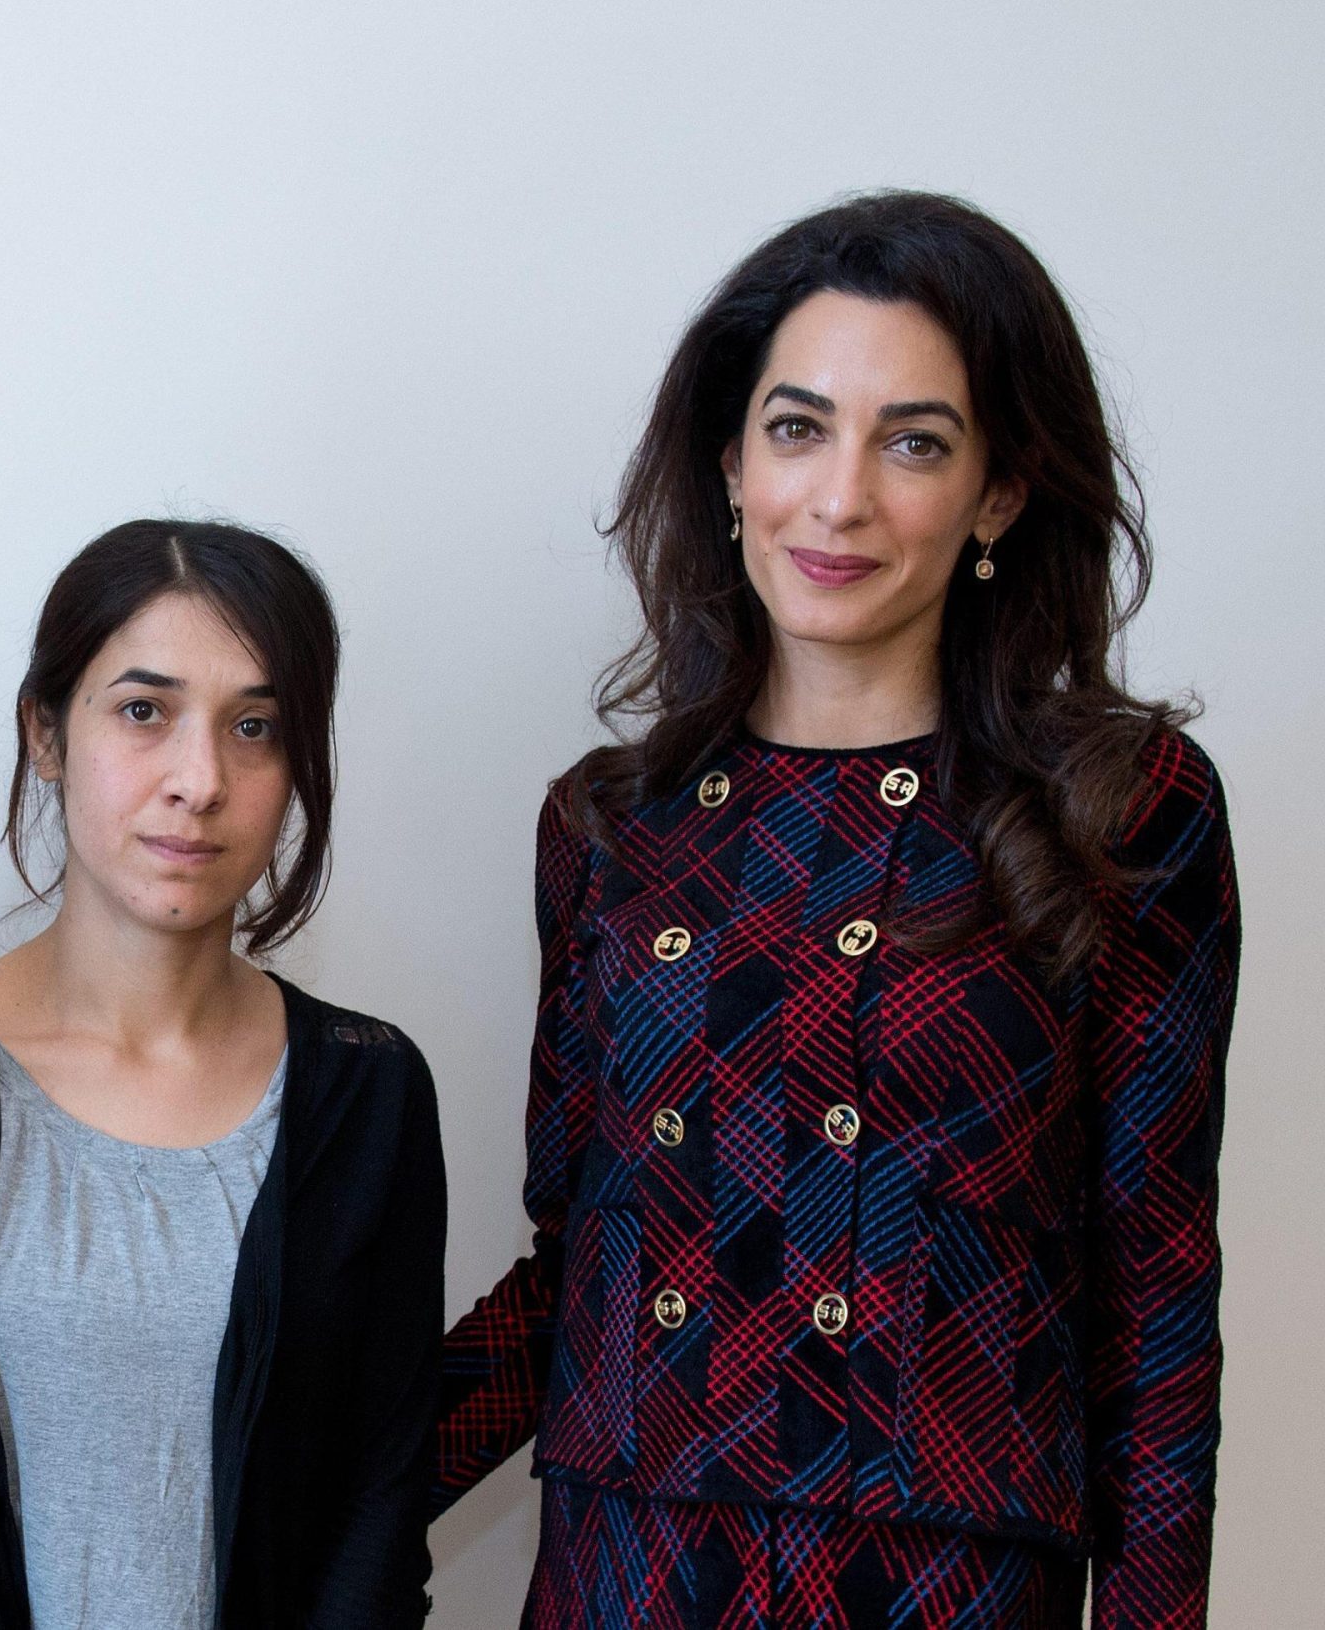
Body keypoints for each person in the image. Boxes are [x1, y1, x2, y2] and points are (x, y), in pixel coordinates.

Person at [431, 192, 1238, 1627]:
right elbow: (575, 1272)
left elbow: (1156, 1304)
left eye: (913, 441)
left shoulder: (1120, 808)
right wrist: (286, 1490)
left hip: (941, 1588)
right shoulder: (611, 827)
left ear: (999, 492)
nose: (840, 496)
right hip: (629, 1579)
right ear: (730, 462)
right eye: (797, 428)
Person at [0, 520, 446, 1630]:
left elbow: (380, 1513)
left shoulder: (369, 1094)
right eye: (144, 711)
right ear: (45, 730)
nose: (200, 780)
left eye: (255, 726)